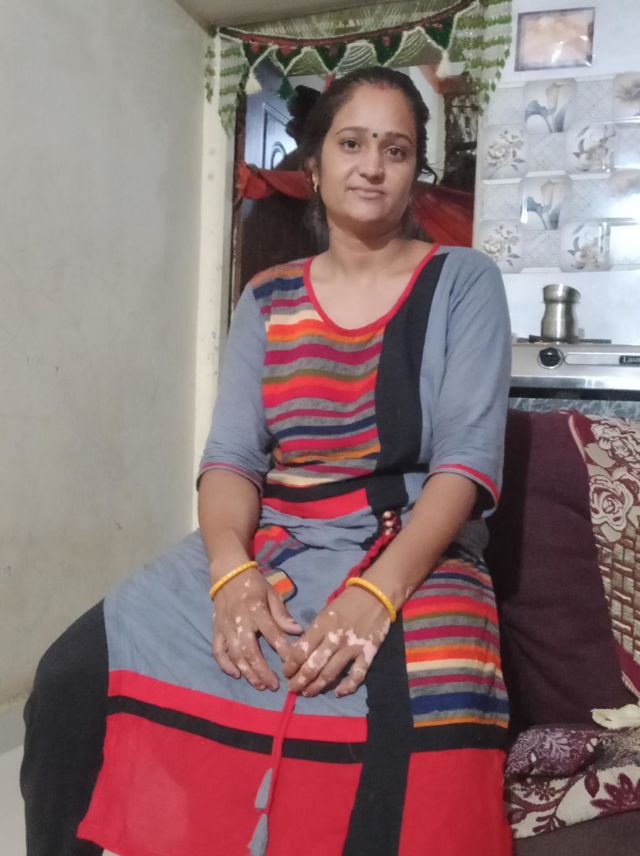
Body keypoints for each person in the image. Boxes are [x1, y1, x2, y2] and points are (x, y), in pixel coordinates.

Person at [21, 66, 513, 856]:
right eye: (352, 144)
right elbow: (231, 459)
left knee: (420, 724)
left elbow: (467, 463)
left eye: (395, 149)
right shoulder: (267, 297)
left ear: (415, 173)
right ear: (313, 166)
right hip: (277, 540)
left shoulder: (464, 281)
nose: (372, 166)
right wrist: (230, 573)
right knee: (71, 678)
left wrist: (376, 596)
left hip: (412, 546)